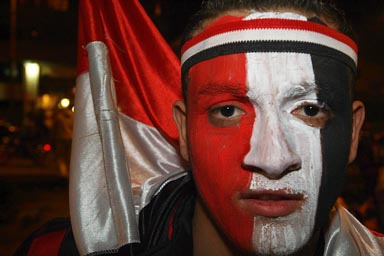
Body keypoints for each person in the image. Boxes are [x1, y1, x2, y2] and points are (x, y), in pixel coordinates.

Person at [15, 0, 384, 255]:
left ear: (353, 132)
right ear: (185, 131)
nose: (272, 160)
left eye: (308, 109)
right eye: (227, 110)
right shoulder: (57, 251)